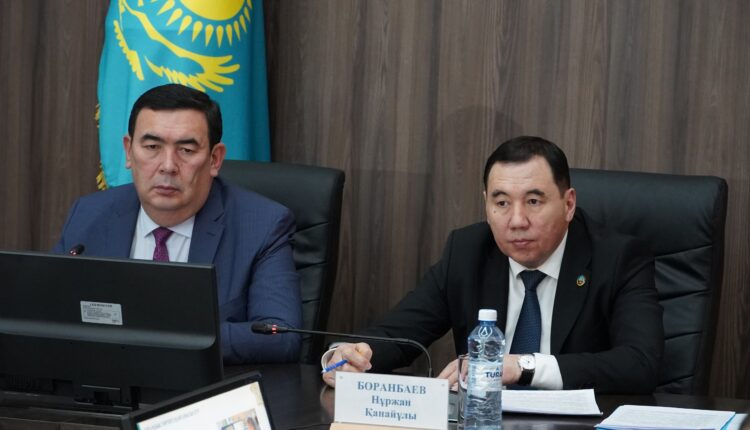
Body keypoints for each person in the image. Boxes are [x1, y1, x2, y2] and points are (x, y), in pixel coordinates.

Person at [322, 136, 664, 394]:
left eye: (534, 201)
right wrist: (348, 355)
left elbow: (640, 363)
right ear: (486, 205)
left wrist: (522, 367)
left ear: (568, 204)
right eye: (502, 203)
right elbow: (399, 335)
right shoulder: (468, 251)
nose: (517, 220)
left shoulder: (617, 258)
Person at [53, 84, 302, 364]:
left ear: (215, 159)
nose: (168, 165)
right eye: (152, 147)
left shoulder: (262, 225)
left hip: (203, 388)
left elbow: (281, 335)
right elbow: (47, 315)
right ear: (128, 151)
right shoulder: (89, 215)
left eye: (186, 149)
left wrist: (164, 338)